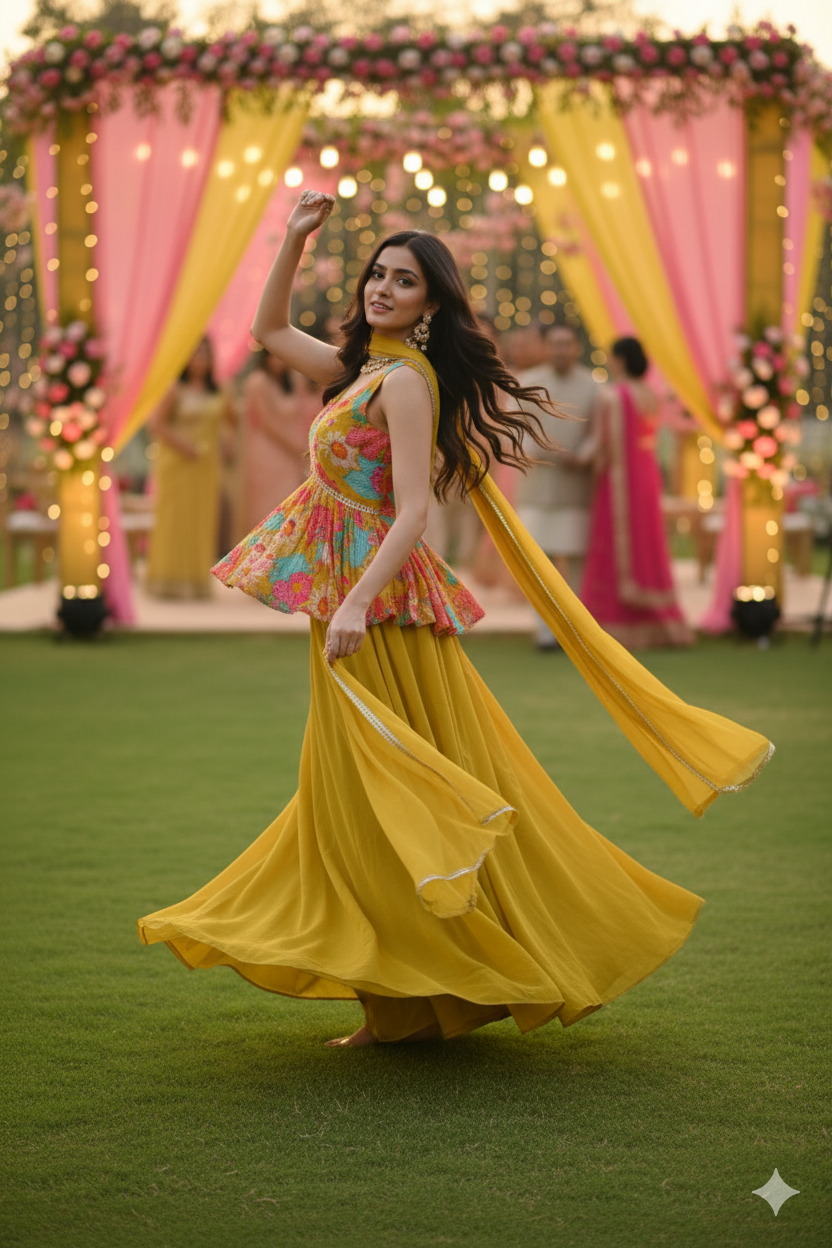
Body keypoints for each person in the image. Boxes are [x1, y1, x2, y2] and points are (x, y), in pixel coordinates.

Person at [137, 192, 773, 1048]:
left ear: (432, 304)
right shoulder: (361, 370)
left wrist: (358, 601)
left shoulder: (400, 385)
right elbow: (266, 334)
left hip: (375, 612)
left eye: (403, 281)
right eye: (376, 275)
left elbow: (413, 516)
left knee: (377, 796)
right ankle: (408, 1002)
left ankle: (423, 994)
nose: (381, 289)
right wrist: (291, 240)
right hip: (349, 605)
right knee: (355, 798)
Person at [581, 337, 695, 649]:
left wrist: (579, 460)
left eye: (611, 357)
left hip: (619, 479)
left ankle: (611, 628)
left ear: (621, 360)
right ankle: (661, 627)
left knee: (615, 544)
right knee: (647, 544)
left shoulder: (614, 396)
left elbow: (601, 445)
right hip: (646, 476)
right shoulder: (651, 394)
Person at [515, 323, 601, 650]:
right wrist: (541, 450)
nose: (561, 350)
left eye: (567, 344)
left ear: (576, 347)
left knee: (578, 564)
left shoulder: (593, 387)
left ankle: (577, 633)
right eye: (555, 344)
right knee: (540, 568)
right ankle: (545, 633)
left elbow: (600, 431)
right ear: (546, 346)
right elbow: (515, 431)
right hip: (536, 490)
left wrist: (583, 455)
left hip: (578, 491)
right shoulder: (528, 383)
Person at [145, 337, 235, 598]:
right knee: (174, 521)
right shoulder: (175, 389)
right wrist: (185, 447)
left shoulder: (219, 391)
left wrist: (228, 443)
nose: (200, 360)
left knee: (201, 521)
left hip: (206, 468)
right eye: (195, 354)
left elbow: (232, 421)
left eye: (205, 354)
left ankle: (195, 583)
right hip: (177, 466)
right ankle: (166, 582)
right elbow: (156, 425)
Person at [240, 350, 310, 535]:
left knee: (290, 501)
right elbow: (267, 423)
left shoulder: (293, 381)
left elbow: (301, 415)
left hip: (292, 450)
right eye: (275, 355)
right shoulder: (258, 381)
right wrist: (295, 448)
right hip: (267, 451)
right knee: (268, 506)